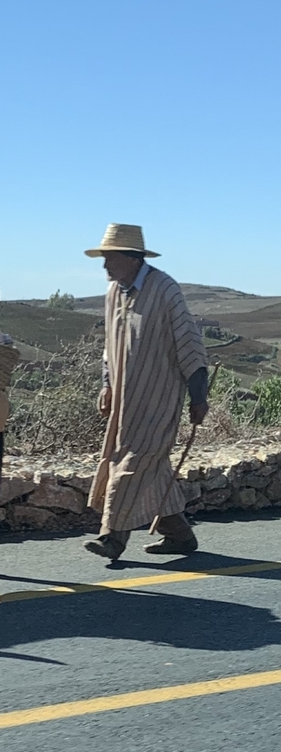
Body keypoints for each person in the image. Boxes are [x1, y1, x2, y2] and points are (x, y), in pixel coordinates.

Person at [83, 224, 209, 563]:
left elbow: (190, 345)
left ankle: (112, 536)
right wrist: (107, 383)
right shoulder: (114, 293)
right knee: (150, 466)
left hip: (159, 397)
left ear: (132, 258)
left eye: (109, 258)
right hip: (126, 399)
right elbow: (110, 347)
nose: (105, 266)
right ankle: (179, 535)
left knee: (132, 461)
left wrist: (199, 397)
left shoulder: (165, 289)